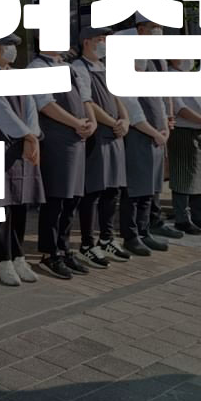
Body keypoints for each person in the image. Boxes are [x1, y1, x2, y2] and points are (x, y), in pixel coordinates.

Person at [28, 43, 96, 279]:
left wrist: (91, 123)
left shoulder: (69, 67)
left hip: (78, 140)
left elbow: (86, 98)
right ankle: (50, 253)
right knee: (56, 199)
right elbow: (46, 105)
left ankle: (64, 248)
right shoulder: (37, 67)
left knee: (73, 198)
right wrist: (77, 123)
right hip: (56, 140)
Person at [0, 34, 44, 287]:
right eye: (8, 46)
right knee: (0, 205)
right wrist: (28, 136)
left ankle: (18, 256)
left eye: (14, 46)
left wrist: (33, 135)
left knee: (20, 202)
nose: (12, 50)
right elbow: (0, 110)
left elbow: (31, 107)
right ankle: (2, 260)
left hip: (23, 147)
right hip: (0, 146)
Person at [72, 26, 130, 268]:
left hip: (115, 135)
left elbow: (117, 96)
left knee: (113, 190)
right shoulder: (78, 68)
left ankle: (107, 238)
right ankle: (87, 243)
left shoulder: (105, 67)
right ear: (87, 42)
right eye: (100, 39)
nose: (104, 44)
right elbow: (87, 102)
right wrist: (113, 122)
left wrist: (125, 119)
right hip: (98, 135)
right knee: (93, 191)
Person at [114, 29, 170, 256]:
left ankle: (145, 231)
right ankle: (131, 235)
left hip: (156, 138)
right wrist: (156, 133)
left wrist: (165, 128)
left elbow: (161, 104)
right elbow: (135, 113)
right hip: (138, 139)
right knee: (134, 191)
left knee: (150, 190)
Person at [134, 14, 184, 241]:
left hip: (160, 121)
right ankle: (141, 224)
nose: (158, 31)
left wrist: (169, 117)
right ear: (141, 30)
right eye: (154, 27)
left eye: (160, 27)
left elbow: (166, 90)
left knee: (157, 176)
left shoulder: (160, 58)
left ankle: (155, 219)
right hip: (142, 124)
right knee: (143, 178)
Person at [167, 58, 201, 234]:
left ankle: (200, 215)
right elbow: (179, 108)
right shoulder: (169, 76)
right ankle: (182, 218)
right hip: (183, 132)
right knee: (183, 176)